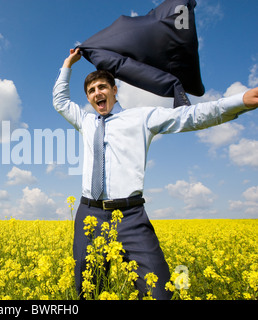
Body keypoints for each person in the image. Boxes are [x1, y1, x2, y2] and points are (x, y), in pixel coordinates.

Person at [53, 48, 258, 299]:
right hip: (89, 213)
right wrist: (67, 64)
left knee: (160, 293)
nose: (97, 93)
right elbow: (60, 101)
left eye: (102, 87)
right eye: (91, 91)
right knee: (89, 291)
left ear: (114, 90)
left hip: (130, 215)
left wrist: (239, 101)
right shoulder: (86, 122)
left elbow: (190, 116)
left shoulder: (141, 117)